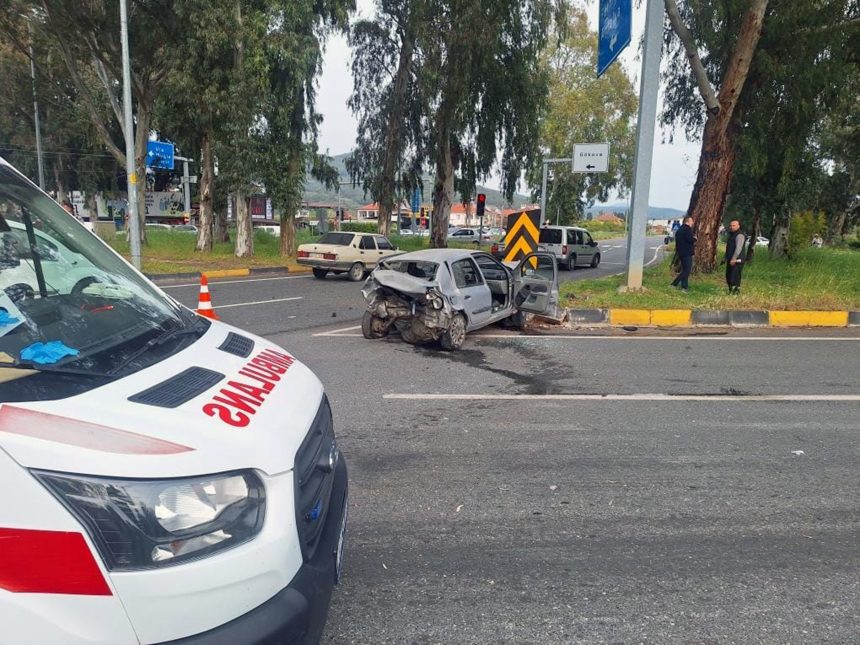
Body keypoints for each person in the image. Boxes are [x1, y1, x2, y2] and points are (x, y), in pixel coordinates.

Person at [671, 216, 695, 292]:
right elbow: (690, 240)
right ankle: (674, 284)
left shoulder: (679, 230)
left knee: (685, 270)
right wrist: (695, 238)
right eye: (691, 221)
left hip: (680, 253)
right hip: (687, 253)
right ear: (687, 221)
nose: (692, 222)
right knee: (687, 270)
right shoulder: (687, 229)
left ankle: (684, 287)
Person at [724, 220, 747, 294]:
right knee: (728, 276)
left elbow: (738, 248)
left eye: (734, 225)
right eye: (730, 225)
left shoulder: (740, 235)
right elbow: (729, 248)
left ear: (738, 226)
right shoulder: (731, 235)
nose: (731, 227)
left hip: (737, 260)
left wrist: (734, 259)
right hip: (730, 259)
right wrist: (725, 258)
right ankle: (731, 291)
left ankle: (736, 292)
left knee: (735, 277)